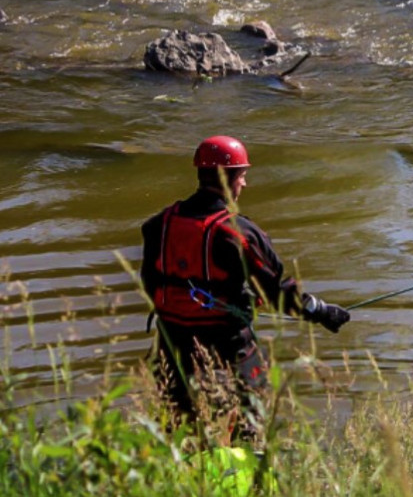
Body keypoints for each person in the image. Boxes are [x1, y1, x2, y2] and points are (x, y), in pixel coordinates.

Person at [140, 135, 350, 440]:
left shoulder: (159, 224)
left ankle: (179, 472)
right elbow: (276, 294)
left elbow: (150, 282)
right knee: (255, 404)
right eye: (243, 176)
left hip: (172, 336)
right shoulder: (237, 232)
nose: (245, 185)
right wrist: (320, 311)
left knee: (174, 418)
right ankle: (247, 465)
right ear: (230, 180)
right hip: (227, 337)